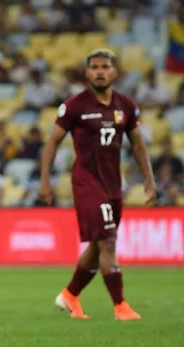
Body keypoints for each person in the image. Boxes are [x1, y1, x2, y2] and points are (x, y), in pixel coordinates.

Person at [39, 49, 156, 321]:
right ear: (87, 72)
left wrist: (149, 178)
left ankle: (70, 295)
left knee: (98, 243)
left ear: (114, 72)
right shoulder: (75, 105)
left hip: (114, 185)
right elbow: (53, 143)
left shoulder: (126, 106)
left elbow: (138, 143)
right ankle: (120, 306)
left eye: (105, 66)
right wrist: (45, 180)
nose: (100, 71)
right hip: (86, 182)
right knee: (107, 241)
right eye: (95, 67)